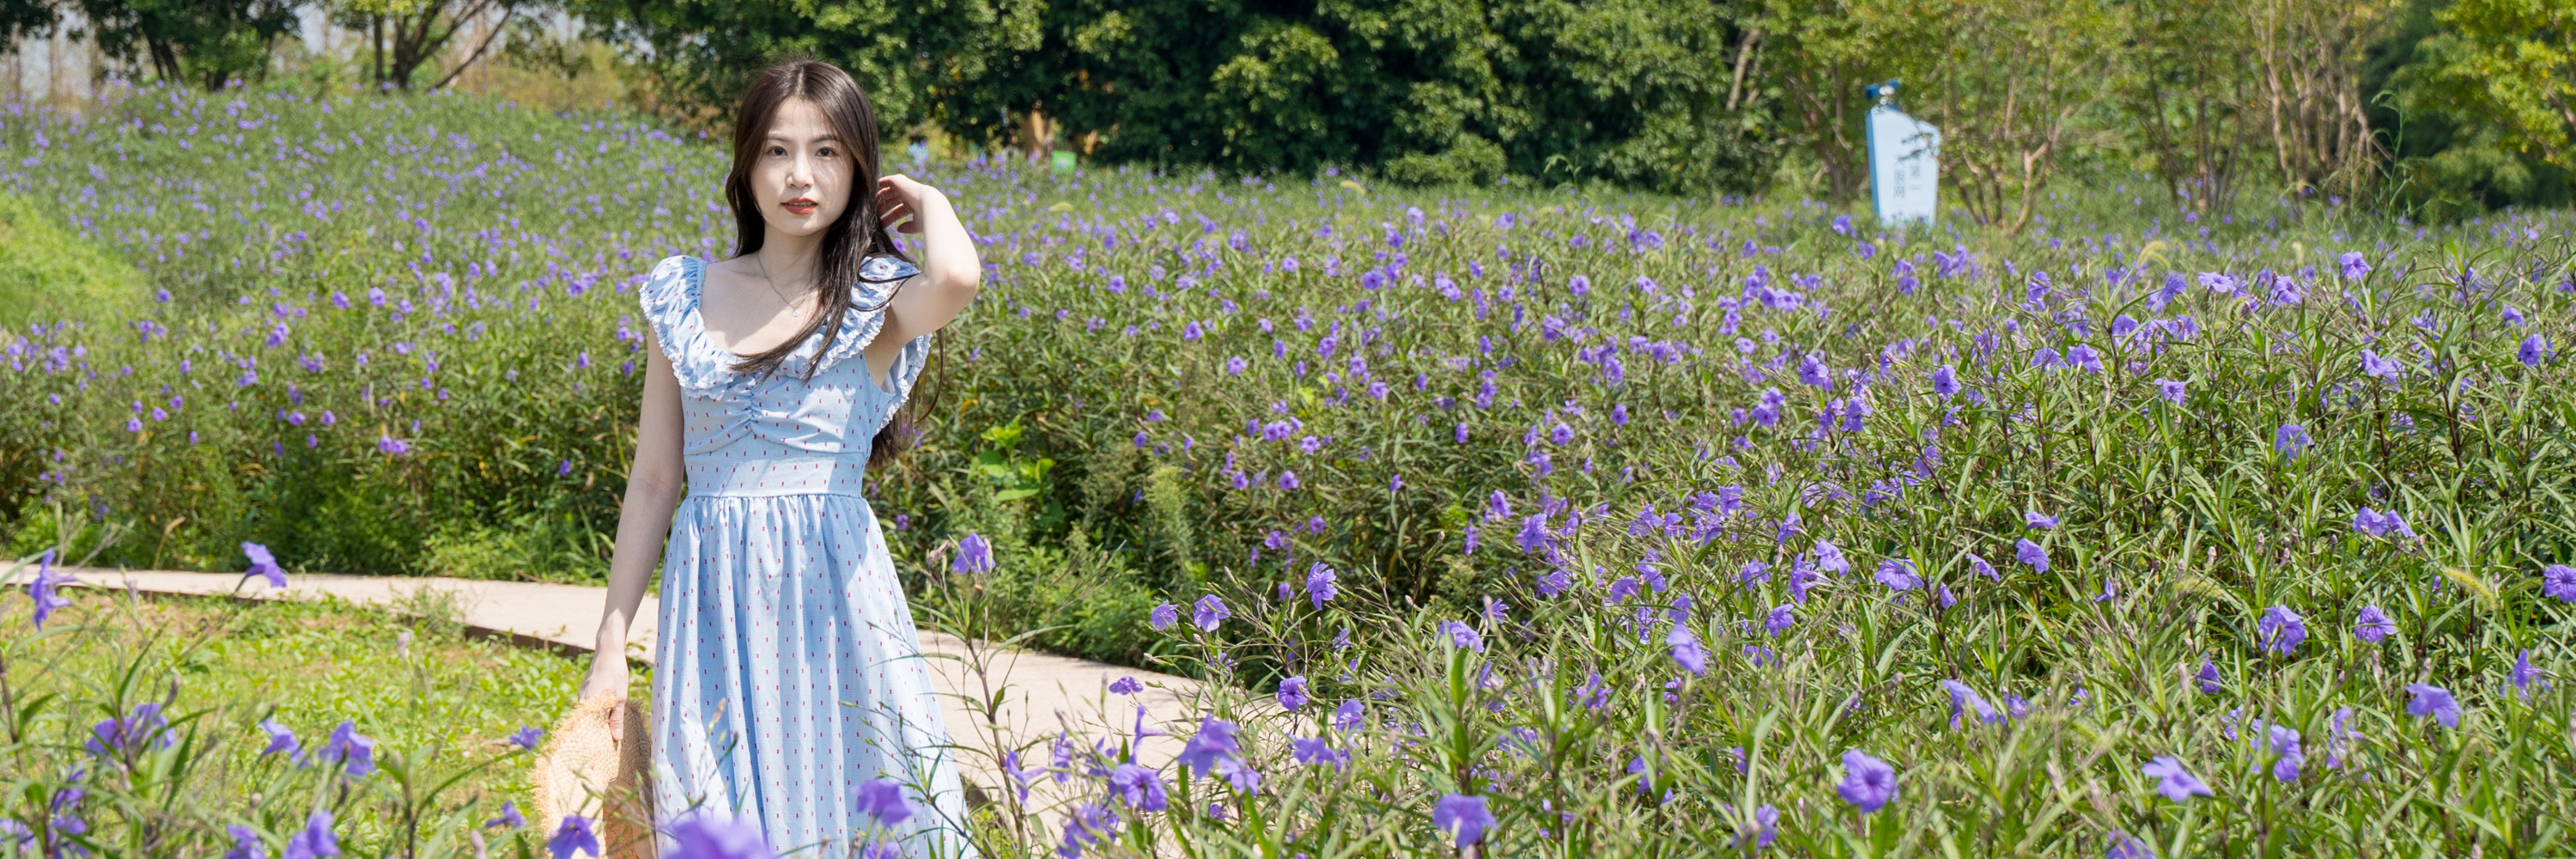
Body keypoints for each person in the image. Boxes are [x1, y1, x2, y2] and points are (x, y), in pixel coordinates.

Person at [576, 58, 980, 858]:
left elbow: (959, 277)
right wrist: (609, 648)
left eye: (828, 152)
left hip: (838, 608)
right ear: (746, 166)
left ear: (860, 167)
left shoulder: (879, 297)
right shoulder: (682, 294)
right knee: (716, 817)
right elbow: (656, 479)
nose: (802, 175)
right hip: (713, 610)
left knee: (860, 815)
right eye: (777, 151)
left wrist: (929, 200)